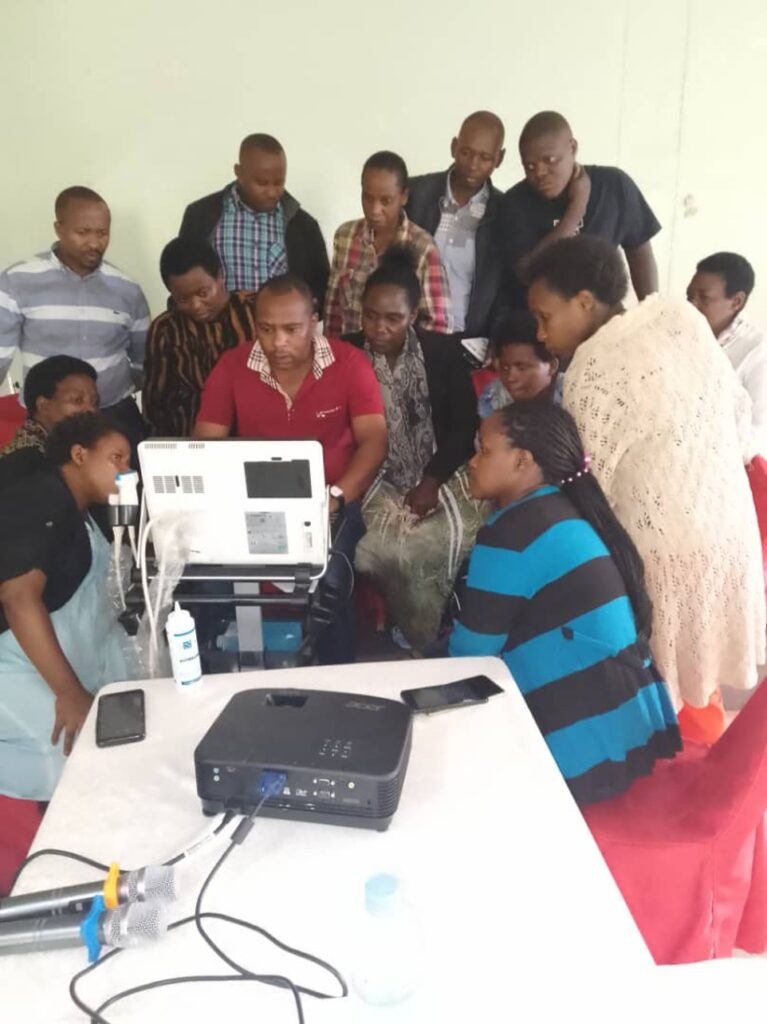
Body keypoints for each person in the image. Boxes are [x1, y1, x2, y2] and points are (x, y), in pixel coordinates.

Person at [527, 234, 766, 741]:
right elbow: (738, 414)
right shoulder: (680, 317)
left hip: (667, 555)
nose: (541, 333)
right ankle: (701, 747)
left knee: (644, 664)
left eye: (546, 317)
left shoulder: (592, 366)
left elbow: (590, 487)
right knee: (697, 678)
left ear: (585, 303)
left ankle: (654, 758)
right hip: (732, 533)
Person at [449, 404, 681, 805]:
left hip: (581, 758)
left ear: (522, 461)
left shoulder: (512, 533)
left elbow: (470, 656)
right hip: (627, 732)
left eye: (484, 451)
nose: (471, 462)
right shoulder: (566, 506)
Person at [194, 274, 387, 663]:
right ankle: (233, 669)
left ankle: (335, 676)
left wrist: (334, 498)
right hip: (253, 503)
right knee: (203, 581)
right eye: (266, 329)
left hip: (332, 498)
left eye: (291, 329)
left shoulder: (349, 364)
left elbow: (374, 441)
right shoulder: (232, 367)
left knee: (332, 578)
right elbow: (205, 446)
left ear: (314, 322)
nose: (277, 341)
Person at [343, 247, 482, 650]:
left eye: (393, 318)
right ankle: (414, 620)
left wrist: (431, 480)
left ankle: (434, 622)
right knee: (385, 547)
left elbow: (462, 426)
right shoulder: (345, 354)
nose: (379, 327)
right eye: (370, 315)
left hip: (440, 467)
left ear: (414, 316)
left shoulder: (441, 353)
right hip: (373, 476)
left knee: (445, 538)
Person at [0, 412, 132, 801]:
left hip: (55, 659)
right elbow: (19, 598)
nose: (125, 472)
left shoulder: (84, 514)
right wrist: (68, 692)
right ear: (79, 454)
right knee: (71, 758)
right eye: (116, 458)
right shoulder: (43, 497)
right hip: (14, 663)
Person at [0, 187, 149, 454]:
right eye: (83, 233)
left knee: (125, 493)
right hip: (49, 424)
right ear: (58, 228)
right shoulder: (18, 281)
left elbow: (143, 360)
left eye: (102, 233)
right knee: (46, 493)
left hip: (113, 417)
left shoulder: (127, 289)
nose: (94, 243)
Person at [500, 112, 660, 310]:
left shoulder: (614, 185)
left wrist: (653, 311)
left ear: (573, 148)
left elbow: (639, 251)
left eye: (550, 160)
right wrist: (576, 209)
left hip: (601, 318)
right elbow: (527, 271)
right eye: (529, 166)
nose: (539, 173)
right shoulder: (515, 203)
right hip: (540, 321)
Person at [179, 133, 329, 309]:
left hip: (277, 333)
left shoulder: (303, 226)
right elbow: (182, 277)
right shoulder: (201, 216)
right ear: (239, 172)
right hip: (219, 332)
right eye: (262, 183)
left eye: (279, 182)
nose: (272, 192)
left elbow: (320, 288)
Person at [324, 151, 452, 337]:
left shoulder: (423, 248)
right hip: (352, 356)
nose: (375, 210)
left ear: (404, 197)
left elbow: (438, 324)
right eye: (368, 198)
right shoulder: (346, 236)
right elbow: (334, 309)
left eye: (386, 201)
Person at [143, 238, 260, 437]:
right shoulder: (165, 329)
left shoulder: (256, 309)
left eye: (203, 293)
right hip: (192, 438)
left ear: (220, 277)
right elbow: (157, 401)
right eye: (183, 299)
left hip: (254, 432)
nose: (196, 305)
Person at [406, 111, 505, 336]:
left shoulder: (504, 212)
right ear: (453, 147)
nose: (472, 164)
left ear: (499, 159)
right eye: (466, 152)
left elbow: (504, 290)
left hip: (468, 342)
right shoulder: (415, 195)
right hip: (410, 336)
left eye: (485, 157)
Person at [687, 252, 767, 456]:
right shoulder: (683, 333)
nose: (691, 306)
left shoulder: (757, 352)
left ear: (736, 302)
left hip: (726, 467)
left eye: (704, 299)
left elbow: (759, 432)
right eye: (689, 297)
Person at [0, 355, 98, 489]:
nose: (91, 409)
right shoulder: (30, 460)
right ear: (43, 406)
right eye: (77, 400)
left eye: (94, 402)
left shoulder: (64, 442)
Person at [478, 310, 560, 418]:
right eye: (505, 367)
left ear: (552, 366)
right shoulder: (494, 397)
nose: (510, 378)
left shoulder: (576, 397)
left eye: (522, 368)